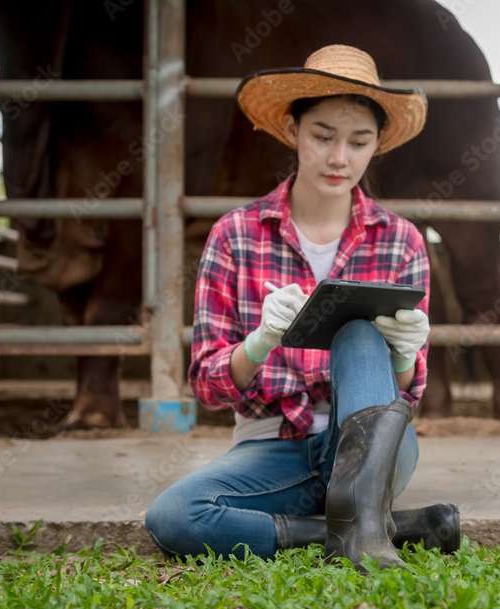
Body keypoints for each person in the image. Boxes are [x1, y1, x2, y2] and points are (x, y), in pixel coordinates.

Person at [144, 45, 460, 572]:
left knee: (360, 334)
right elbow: (205, 384)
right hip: (272, 450)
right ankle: (376, 530)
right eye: (322, 137)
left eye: (359, 142)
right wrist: (259, 342)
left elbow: (407, 391)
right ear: (292, 131)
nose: (340, 158)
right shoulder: (235, 235)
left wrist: (403, 357)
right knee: (174, 515)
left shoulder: (402, 241)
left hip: (372, 449)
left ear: (376, 146)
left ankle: (356, 519)